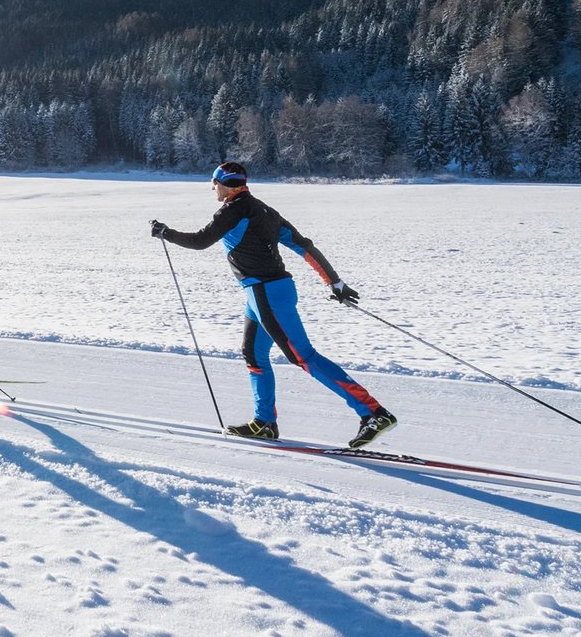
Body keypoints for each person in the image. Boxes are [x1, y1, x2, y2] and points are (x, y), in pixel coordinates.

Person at [150, 161, 397, 448]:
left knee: (303, 356)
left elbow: (200, 241)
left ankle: (373, 412)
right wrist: (334, 282)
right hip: (262, 294)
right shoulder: (265, 211)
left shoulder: (233, 210)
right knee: (253, 354)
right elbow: (303, 246)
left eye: (213, 184)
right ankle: (264, 422)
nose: (212, 189)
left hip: (267, 292)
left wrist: (165, 232)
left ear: (224, 184)